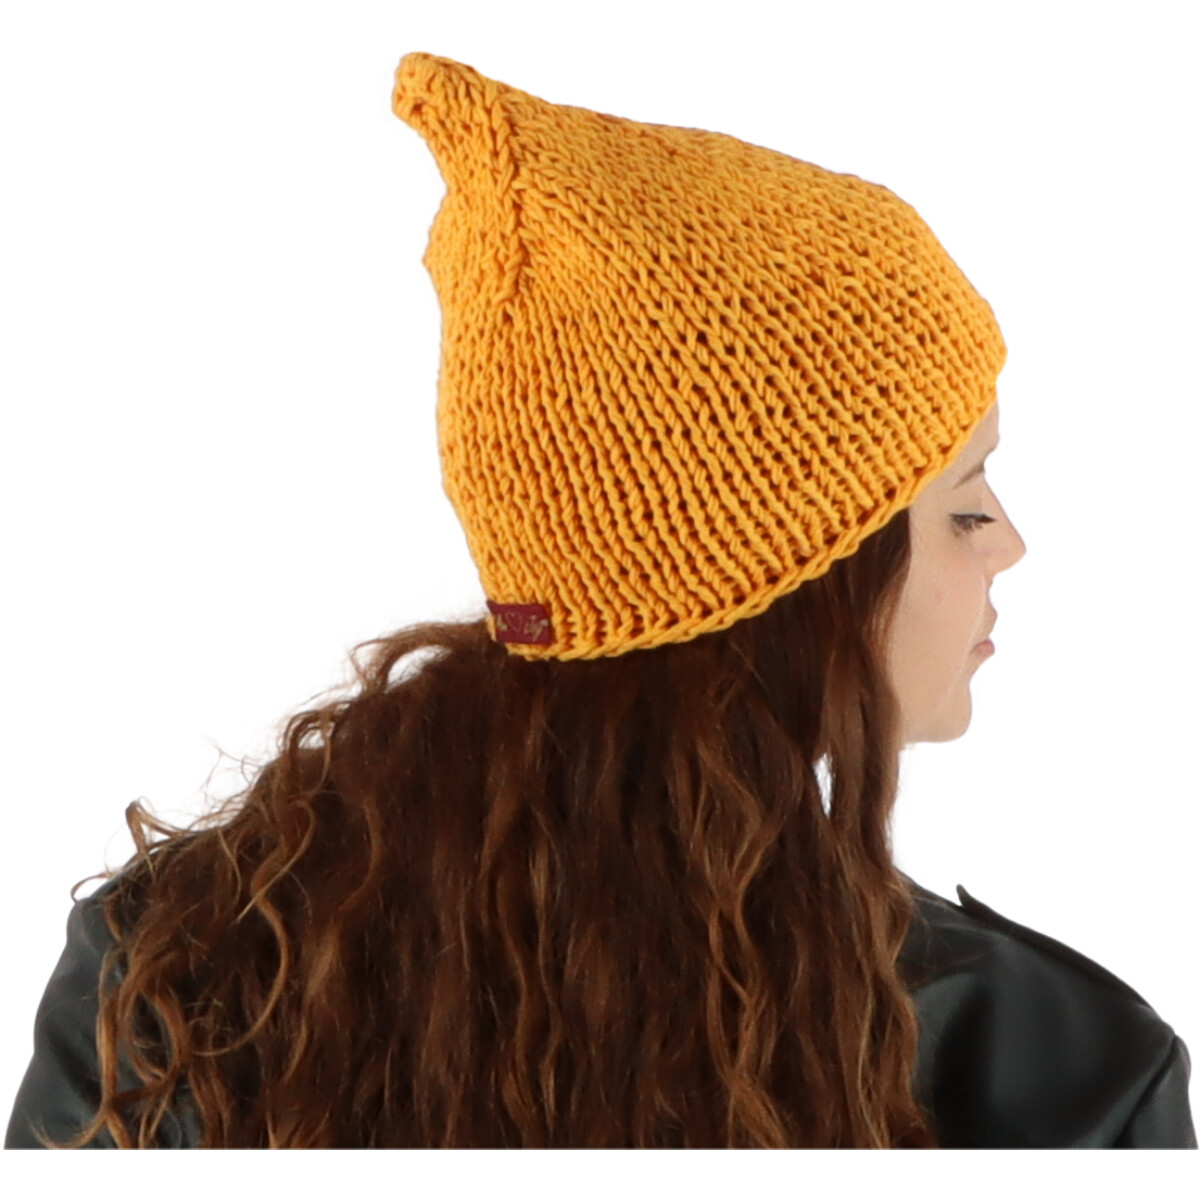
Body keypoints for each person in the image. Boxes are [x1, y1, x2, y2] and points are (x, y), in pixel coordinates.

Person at [5, 51, 1194, 1150]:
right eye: (966, 507)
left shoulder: (170, 976)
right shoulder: (1049, 1075)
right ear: (784, 589)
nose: (1012, 546)